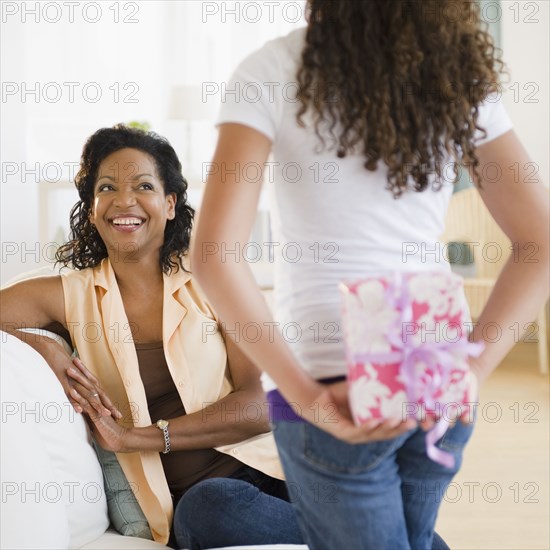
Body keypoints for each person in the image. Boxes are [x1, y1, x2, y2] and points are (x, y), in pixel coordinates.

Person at [191, 1, 550, 549]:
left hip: (333, 388)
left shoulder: (270, 68)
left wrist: (303, 396)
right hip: (437, 376)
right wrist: (472, 372)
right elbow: (540, 242)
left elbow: (215, 255)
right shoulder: (457, 74)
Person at [0, 124, 305, 550]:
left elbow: (261, 405)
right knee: (208, 507)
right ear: (91, 208)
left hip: (273, 472)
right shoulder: (67, 295)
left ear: (169, 203)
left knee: (373, 496)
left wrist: (134, 438)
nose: (124, 200)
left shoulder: (215, 278)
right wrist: (44, 345)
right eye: (106, 188)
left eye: (143, 185)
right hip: (201, 506)